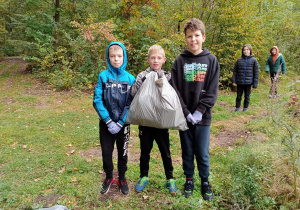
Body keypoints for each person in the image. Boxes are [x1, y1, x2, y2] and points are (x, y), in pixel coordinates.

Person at [171, 18, 219, 200]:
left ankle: (205, 181)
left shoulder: (211, 60)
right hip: (184, 117)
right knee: (187, 150)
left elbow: (213, 90)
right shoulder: (179, 61)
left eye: (197, 36)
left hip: (203, 117)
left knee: (202, 151)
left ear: (203, 37)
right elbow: (174, 90)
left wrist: (200, 111)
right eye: (189, 36)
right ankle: (189, 179)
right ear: (185, 39)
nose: (193, 40)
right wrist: (186, 112)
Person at [131, 44, 177, 195]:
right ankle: (143, 176)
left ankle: (170, 178)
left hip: (161, 122)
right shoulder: (142, 75)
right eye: (153, 58)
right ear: (148, 59)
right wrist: (144, 83)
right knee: (145, 151)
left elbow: (173, 97)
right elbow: (133, 94)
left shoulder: (168, 76)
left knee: (166, 152)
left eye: (159, 58)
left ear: (164, 59)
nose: (155, 60)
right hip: (145, 122)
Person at [93, 42, 135, 195]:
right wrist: (108, 121)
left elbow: (131, 102)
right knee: (106, 152)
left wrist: (121, 121)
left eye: (119, 56)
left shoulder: (130, 79)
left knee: (122, 152)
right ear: (108, 57)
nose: (116, 59)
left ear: (124, 57)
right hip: (106, 124)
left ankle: (122, 177)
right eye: (112, 56)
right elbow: (97, 100)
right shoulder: (103, 76)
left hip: (123, 124)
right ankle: (109, 176)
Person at [232, 44, 259, 112]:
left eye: (247, 50)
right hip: (240, 81)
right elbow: (235, 71)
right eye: (244, 50)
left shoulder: (254, 60)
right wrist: (234, 81)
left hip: (248, 82)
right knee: (238, 96)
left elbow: (256, 72)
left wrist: (255, 83)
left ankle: (245, 108)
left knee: (247, 96)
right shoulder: (239, 60)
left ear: (250, 50)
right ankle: (237, 107)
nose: (246, 51)